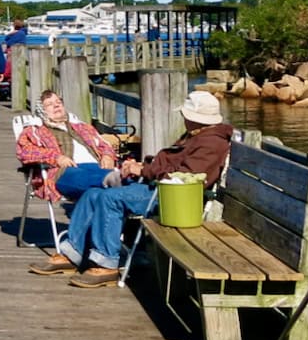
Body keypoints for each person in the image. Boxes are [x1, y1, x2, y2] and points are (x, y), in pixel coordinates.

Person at [29, 90, 233, 287]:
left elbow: (186, 178)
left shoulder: (211, 142)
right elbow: (174, 168)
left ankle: (106, 263)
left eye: (185, 115)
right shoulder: (197, 135)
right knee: (93, 194)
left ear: (195, 118)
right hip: (160, 188)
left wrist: (143, 171)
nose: (183, 118)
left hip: (172, 198)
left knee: (109, 198)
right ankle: (71, 253)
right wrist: (142, 167)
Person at [15, 90, 119, 206]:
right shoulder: (35, 130)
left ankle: (120, 181)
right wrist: (56, 158)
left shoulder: (82, 127)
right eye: (50, 104)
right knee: (85, 178)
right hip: (64, 171)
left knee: (97, 194)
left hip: (97, 167)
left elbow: (104, 144)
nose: (56, 105)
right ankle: (117, 181)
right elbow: (25, 151)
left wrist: (107, 155)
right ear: (42, 111)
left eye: (58, 102)